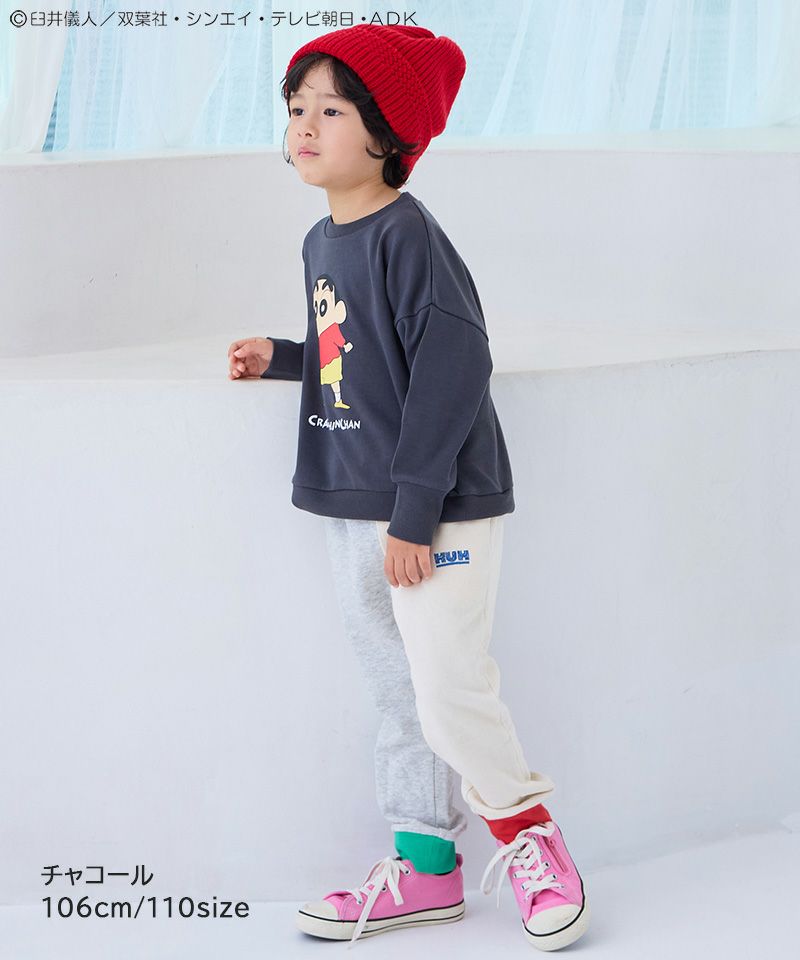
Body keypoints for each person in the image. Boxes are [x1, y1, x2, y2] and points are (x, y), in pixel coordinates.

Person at [227, 24, 590, 952]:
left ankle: (531, 835)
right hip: (358, 497)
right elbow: (359, 353)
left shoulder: (407, 234)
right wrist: (286, 358)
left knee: (448, 686)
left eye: (332, 109)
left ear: (388, 133)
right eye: (296, 108)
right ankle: (426, 868)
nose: (305, 126)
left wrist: (417, 510)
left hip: (431, 509)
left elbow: (454, 365)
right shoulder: (324, 239)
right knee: (399, 692)